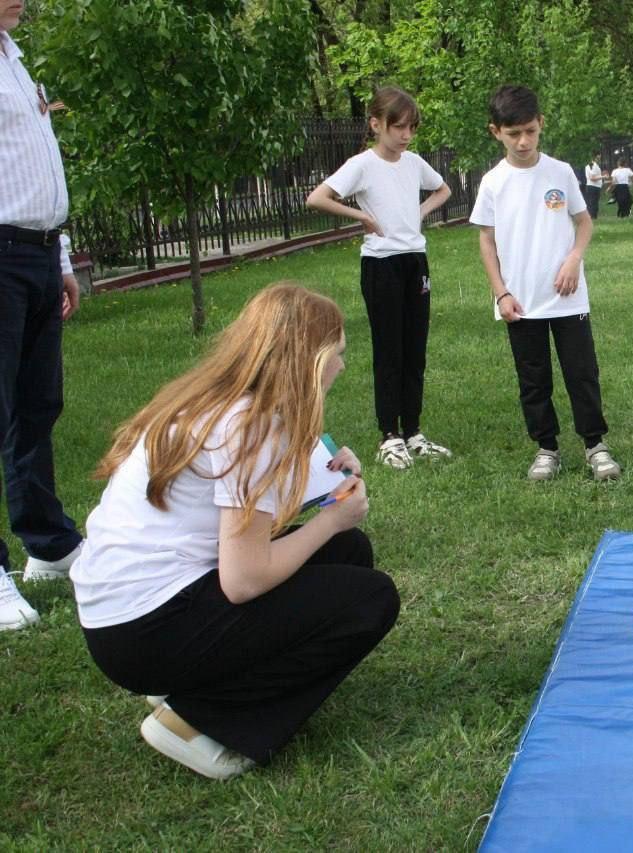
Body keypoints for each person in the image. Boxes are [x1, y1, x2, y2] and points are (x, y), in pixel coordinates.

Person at [71, 283, 400, 779]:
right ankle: (197, 721)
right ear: (307, 361)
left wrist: (327, 489)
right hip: (146, 630)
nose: (342, 367)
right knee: (371, 597)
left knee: (348, 551)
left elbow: (235, 520)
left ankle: (195, 686)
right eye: (337, 354)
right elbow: (243, 581)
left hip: (124, 618)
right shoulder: (251, 426)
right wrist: (332, 518)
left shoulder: (220, 405)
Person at [470, 85, 621, 482]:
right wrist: (500, 291)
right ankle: (546, 447)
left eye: (530, 132)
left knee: (581, 373)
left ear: (541, 126)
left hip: (567, 298)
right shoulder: (493, 182)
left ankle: (595, 444)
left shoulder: (559, 172)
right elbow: (486, 240)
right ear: (496, 131)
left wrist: (573, 259)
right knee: (533, 378)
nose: (523, 141)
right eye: (513, 133)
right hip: (521, 301)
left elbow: (583, 222)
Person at [306, 86, 453, 471]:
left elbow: (443, 189)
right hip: (381, 264)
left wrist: (417, 212)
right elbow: (317, 198)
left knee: (414, 349)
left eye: (411, 128)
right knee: (390, 351)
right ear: (376, 124)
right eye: (398, 127)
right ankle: (390, 436)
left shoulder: (414, 162)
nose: (405, 135)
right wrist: (362, 218)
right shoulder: (362, 165)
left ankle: (413, 431)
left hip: (414, 261)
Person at [0, 4, 85, 631]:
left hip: (33, 254)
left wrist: (58, 259)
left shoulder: (15, 57)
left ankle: (48, 545)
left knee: (36, 406)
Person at [583, 155, 603, 219]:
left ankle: (592, 217)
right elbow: (592, 178)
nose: (599, 159)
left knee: (591, 203)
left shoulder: (588, 165)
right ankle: (592, 217)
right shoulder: (594, 165)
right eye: (598, 158)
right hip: (593, 187)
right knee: (593, 203)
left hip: (591, 186)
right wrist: (603, 176)